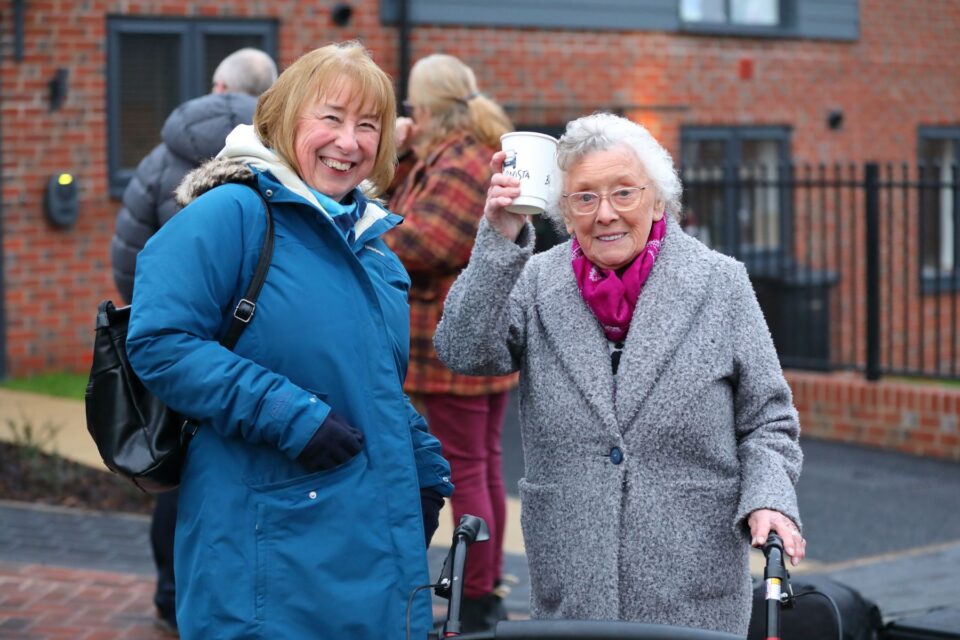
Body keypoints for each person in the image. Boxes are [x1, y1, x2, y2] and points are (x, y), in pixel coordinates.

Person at [125, 41, 452, 639]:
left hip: (365, 544)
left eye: (367, 125)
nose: (348, 142)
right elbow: (160, 341)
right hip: (265, 552)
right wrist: (290, 416)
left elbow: (369, 377)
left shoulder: (371, 247)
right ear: (284, 120)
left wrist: (422, 463)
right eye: (329, 118)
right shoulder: (230, 215)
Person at [434, 112, 805, 636]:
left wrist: (769, 499)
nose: (604, 213)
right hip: (573, 582)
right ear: (564, 210)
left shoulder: (720, 283)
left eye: (623, 193)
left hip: (692, 587)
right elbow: (464, 350)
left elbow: (769, 419)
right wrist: (500, 236)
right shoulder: (538, 280)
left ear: (658, 199)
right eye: (585, 197)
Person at [109, 46, 277, 636]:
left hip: (178, 340)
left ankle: (169, 596)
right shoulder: (277, 154)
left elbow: (129, 250)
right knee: (249, 463)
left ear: (217, 81)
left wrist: (162, 311)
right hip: (257, 336)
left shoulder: (162, 156)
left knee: (177, 468)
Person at [384, 53, 518, 632]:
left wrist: (369, 232)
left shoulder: (461, 160)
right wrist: (401, 148)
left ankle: (479, 596)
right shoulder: (453, 153)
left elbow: (425, 243)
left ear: (430, 108)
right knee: (481, 464)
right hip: (467, 337)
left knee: (465, 468)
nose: (409, 114)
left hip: (456, 343)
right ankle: (483, 587)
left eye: (412, 107)